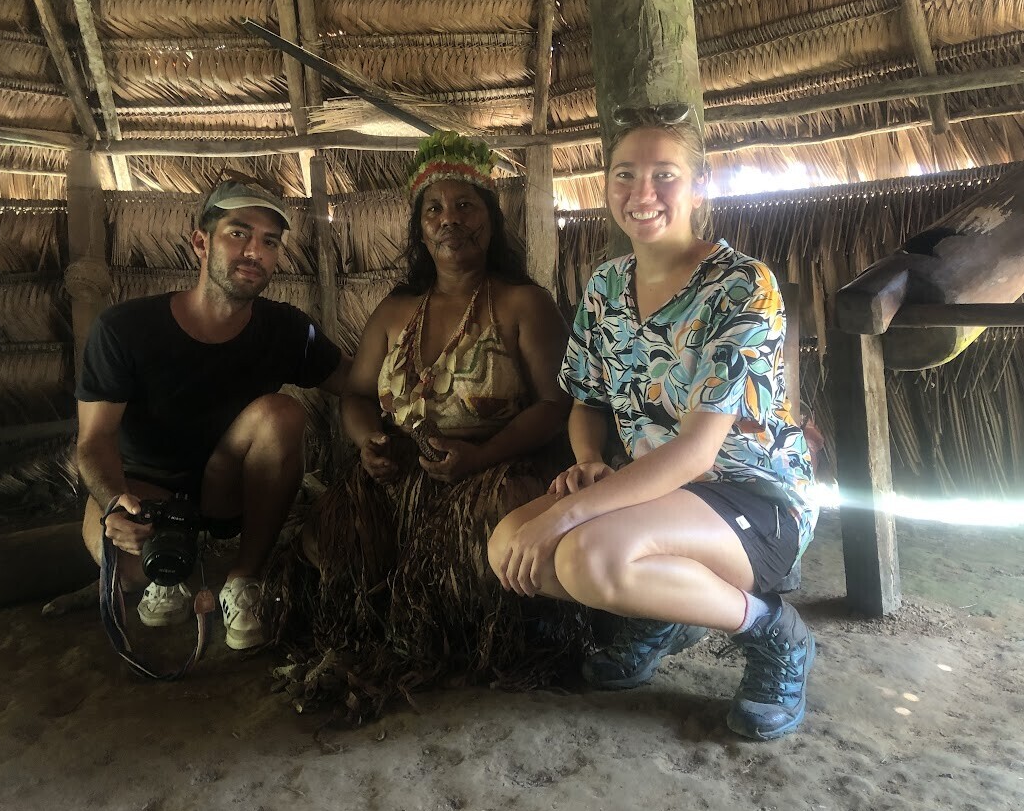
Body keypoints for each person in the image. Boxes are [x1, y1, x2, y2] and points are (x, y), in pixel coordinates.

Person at [487, 104, 818, 741]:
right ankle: (662, 610)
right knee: (508, 545)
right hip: (654, 492)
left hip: (752, 499)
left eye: (665, 175)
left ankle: (774, 633)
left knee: (588, 555)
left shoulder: (740, 286)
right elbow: (586, 401)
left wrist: (565, 512)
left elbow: (697, 453)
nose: (642, 193)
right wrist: (588, 460)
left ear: (700, 185)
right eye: (625, 174)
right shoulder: (606, 287)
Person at [267, 131, 585, 720]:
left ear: (491, 219)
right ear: (419, 229)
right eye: (433, 209)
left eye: (465, 205)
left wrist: (480, 457)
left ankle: (475, 636)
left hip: (497, 468)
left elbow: (554, 405)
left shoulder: (523, 303)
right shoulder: (395, 310)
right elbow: (356, 394)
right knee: (327, 540)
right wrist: (368, 443)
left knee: (491, 542)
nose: (449, 220)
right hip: (402, 468)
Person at [76, 177, 350, 650]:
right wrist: (113, 502)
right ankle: (166, 569)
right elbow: (94, 439)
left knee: (282, 414)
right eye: (238, 233)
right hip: (146, 490)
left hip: (227, 488)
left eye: (270, 242)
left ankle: (244, 579)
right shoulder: (125, 329)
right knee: (124, 567)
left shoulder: (286, 330)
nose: (254, 251)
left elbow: (359, 381)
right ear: (201, 243)